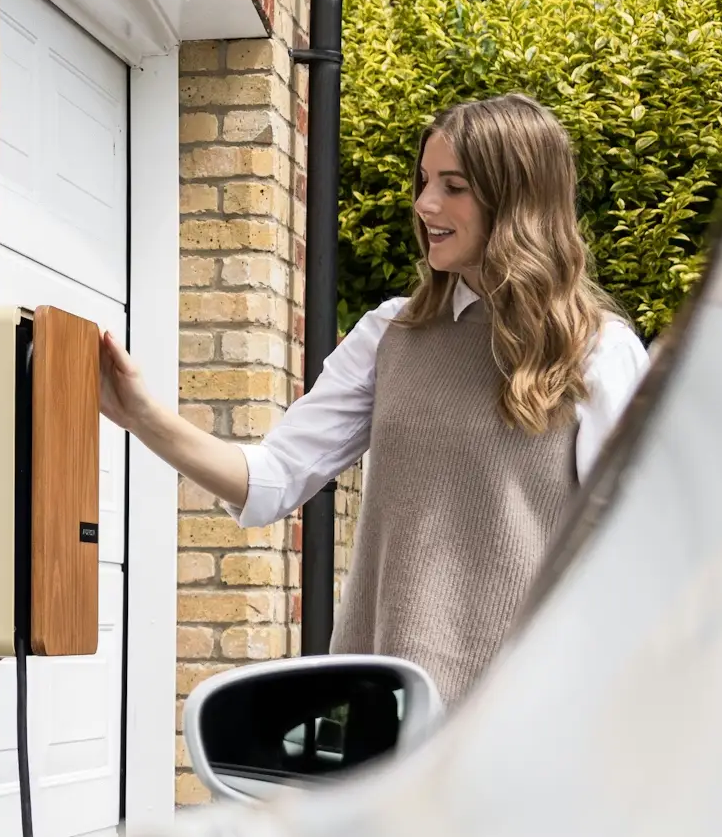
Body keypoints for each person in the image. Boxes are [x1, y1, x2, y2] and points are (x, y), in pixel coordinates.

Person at [98, 93, 649, 704]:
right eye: (424, 180)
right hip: (386, 714)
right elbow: (271, 479)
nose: (425, 204)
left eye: (454, 186)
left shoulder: (598, 351)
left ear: (516, 200)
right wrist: (140, 416)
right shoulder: (391, 335)